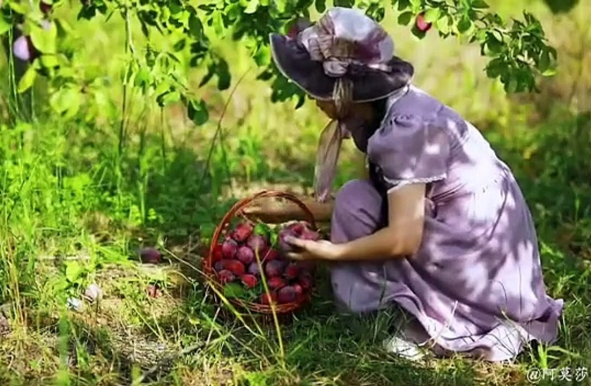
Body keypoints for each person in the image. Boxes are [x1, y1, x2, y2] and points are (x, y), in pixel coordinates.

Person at [240, 7, 563, 362]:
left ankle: (438, 321)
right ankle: (391, 303)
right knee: (354, 198)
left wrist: (329, 253)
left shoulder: (406, 132)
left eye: (317, 90)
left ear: (343, 93)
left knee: (361, 207)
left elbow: (404, 236)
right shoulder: (382, 111)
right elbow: (385, 201)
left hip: (474, 247)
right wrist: (294, 205)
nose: (313, 99)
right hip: (458, 224)